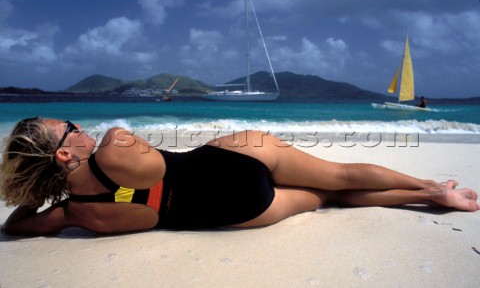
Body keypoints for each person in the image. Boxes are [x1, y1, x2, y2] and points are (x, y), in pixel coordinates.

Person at [1, 117, 478, 236]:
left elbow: (14, 226)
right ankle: (432, 188)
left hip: (237, 212)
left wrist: (41, 188)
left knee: (329, 197)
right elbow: (133, 151)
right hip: (231, 162)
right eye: (70, 128)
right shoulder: (114, 144)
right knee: (341, 173)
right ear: (65, 150)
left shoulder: (73, 215)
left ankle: (430, 196)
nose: (81, 127)